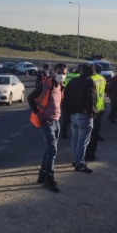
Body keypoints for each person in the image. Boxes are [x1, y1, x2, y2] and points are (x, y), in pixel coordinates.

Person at [28, 62, 67, 192]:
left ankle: (42, 175)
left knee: (48, 149)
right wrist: (37, 113)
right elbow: (30, 97)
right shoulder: (45, 84)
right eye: (60, 72)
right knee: (52, 150)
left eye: (64, 73)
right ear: (54, 72)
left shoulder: (61, 86)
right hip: (46, 121)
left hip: (56, 121)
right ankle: (49, 179)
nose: (62, 75)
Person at [64, 62, 97, 173]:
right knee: (83, 141)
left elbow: (66, 96)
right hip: (84, 115)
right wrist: (92, 112)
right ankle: (80, 163)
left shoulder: (73, 81)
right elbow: (91, 98)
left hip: (73, 114)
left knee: (75, 138)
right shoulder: (89, 82)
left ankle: (75, 159)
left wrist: (68, 112)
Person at [85, 64, 107, 161]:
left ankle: (86, 153)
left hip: (91, 109)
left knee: (87, 133)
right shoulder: (103, 79)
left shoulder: (90, 79)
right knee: (95, 132)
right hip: (100, 108)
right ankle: (92, 153)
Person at [60, 65, 81, 139]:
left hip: (65, 97)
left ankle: (63, 133)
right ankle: (75, 132)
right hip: (75, 99)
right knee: (76, 116)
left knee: (66, 118)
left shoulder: (68, 75)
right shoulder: (79, 77)